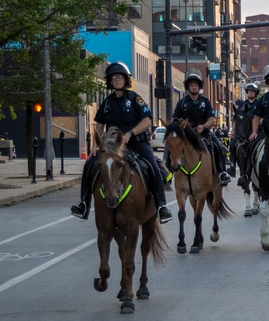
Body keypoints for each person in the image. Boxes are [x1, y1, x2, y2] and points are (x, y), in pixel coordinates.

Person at [71, 62, 172, 224]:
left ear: (126, 80)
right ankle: (83, 203)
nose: (117, 80)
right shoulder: (107, 103)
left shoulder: (134, 99)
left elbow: (146, 121)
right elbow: (99, 126)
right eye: (114, 78)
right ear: (110, 81)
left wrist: (130, 133)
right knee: (89, 165)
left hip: (137, 143)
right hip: (112, 146)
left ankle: (162, 206)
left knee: (153, 167)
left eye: (120, 77)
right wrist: (95, 148)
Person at [169, 70, 231, 187]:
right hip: (186, 135)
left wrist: (204, 126)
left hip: (203, 133)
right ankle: (168, 172)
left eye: (196, 85)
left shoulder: (205, 102)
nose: (193, 87)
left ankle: (222, 172)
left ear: (199, 87)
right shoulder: (182, 103)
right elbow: (174, 119)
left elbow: (211, 119)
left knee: (217, 146)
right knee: (171, 146)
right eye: (191, 85)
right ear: (188, 87)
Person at [231, 82, 259, 205]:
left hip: (257, 131)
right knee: (233, 144)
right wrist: (233, 130)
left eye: (252, 91)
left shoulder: (259, 105)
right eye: (249, 91)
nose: (250, 93)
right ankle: (232, 165)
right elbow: (237, 118)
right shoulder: (242, 105)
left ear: (256, 93)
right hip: (243, 133)